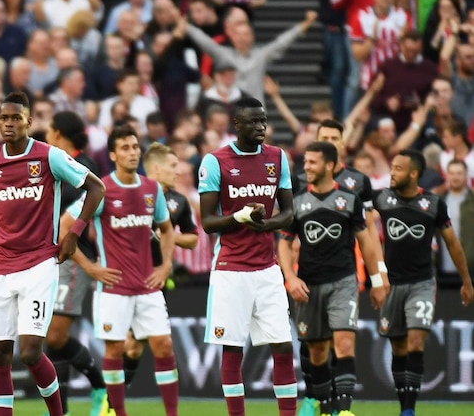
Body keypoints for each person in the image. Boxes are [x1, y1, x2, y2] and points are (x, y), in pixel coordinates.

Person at [0, 92, 105, 416]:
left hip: (39, 264)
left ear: (28, 121)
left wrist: (75, 232)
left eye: (16, 118)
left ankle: (57, 413)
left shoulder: (49, 157)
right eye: (4, 118)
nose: (9, 123)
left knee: (29, 352)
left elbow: (97, 188)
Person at [62, 126, 180, 416]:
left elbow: (166, 230)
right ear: (113, 154)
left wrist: (165, 265)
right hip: (113, 288)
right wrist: (91, 267)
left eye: (134, 146)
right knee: (114, 352)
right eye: (124, 148)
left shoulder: (152, 189)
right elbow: (65, 227)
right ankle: (118, 413)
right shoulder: (101, 190)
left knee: (164, 346)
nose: (131, 152)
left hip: (148, 285)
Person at [197, 97, 297, 416]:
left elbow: (290, 213)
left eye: (263, 121)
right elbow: (208, 222)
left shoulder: (277, 158)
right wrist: (239, 217)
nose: (261, 127)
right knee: (233, 349)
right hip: (231, 269)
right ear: (236, 125)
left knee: (282, 346)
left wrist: (266, 223)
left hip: (268, 269)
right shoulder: (215, 161)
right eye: (253, 122)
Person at [278, 141, 387, 416]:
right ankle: (326, 410)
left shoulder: (349, 200)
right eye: (305, 162)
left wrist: (376, 281)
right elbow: (284, 242)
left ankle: (345, 410)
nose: (306, 167)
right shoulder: (298, 201)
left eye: (312, 162)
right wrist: (290, 277)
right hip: (309, 283)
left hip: (343, 281)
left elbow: (367, 243)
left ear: (329, 165)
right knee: (316, 351)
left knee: (344, 342)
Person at [373, 149, 474, 416]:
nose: (392, 173)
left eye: (398, 169)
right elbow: (360, 227)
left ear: (414, 173)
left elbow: (452, 242)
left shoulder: (433, 203)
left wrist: (466, 281)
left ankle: (409, 410)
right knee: (399, 347)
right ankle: (403, 401)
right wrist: (376, 276)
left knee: (416, 341)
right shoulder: (382, 199)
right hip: (392, 284)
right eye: (392, 167)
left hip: (422, 282)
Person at [41, 111, 109, 416]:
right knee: (50, 338)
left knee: (55, 336)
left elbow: (71, 222)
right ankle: (62, 410)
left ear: (58, 133)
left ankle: (100, 386)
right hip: (50, 257)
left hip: (73, 258)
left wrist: (88, 264)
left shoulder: (84, 168)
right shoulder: (59, 164)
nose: (46, 138)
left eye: (49, 132)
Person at [122, 142, 199, 386]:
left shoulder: (179, 201)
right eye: (173, 166)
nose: (177, 172)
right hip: (126, 276)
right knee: (121, 344)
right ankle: (109, 401)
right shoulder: (130, 192)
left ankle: (115, 396)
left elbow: (193, 238)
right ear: (156, 168)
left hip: (157, 278)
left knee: (135, 347)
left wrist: (167, 235)